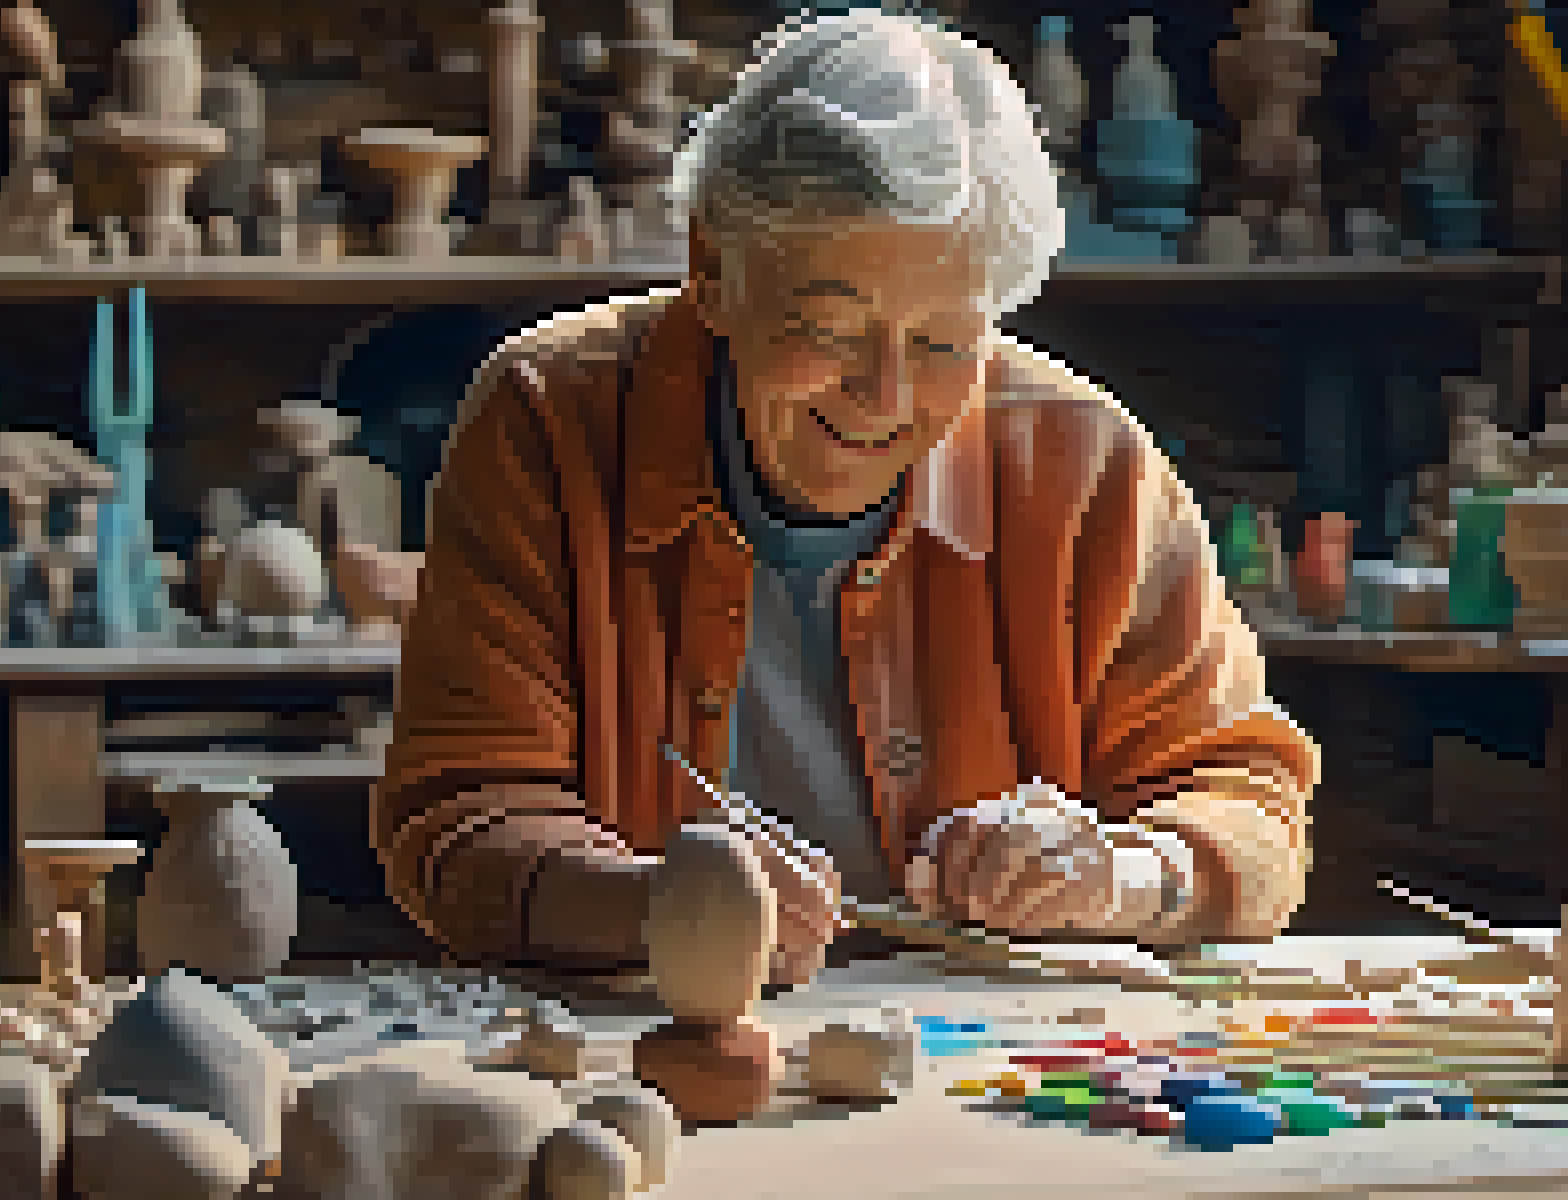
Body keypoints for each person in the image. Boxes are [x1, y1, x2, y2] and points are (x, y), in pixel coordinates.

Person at [373, 8, 1319, 985]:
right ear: (713, 270)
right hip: (652, 1054)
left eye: (944, 341)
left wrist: (1118, 879)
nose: (886, 397)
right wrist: (665, 906)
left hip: (984, 1072)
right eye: (830, 328)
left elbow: (1246, 803)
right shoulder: (550, 416)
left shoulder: (1083, 461)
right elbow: (460, 822)